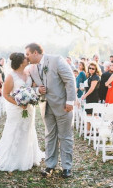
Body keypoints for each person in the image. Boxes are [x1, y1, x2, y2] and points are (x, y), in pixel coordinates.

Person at [26, 43, 76, 179]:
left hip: (63, 105)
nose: (27, 57)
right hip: (45, 106)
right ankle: (50, 165)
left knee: (65, 136)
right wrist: (37, 90)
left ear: (35, 52)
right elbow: (30, 86)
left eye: (28, 54)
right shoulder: (31, 68)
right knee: (50, 136)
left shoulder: (56, 60)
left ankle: (67, 167)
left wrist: (70, 101)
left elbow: (70, 79)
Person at [0, 52, 44, 172]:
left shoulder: (28, 74)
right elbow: (5, 94)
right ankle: (14, 158)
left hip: (29, 108)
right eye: (25, 58)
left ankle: (28, 156)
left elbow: (31, 89)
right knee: (15, 129)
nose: (27, 59)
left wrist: (33, 95)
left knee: (28, 129)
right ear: (20, 62)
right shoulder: (11, 76)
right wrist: (18, 103)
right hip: (16, 109)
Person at [81, 62, 101, 132]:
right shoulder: (90, 76)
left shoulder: (95, 77)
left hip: (93, 97)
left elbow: (92, 88)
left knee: (93, 114)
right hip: (89, 97)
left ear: (95, 69)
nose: (91, 70)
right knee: (88, 113)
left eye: (93, 68)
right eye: (90, 68)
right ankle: (90, 130)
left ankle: (95, 131)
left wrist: (85, 95)